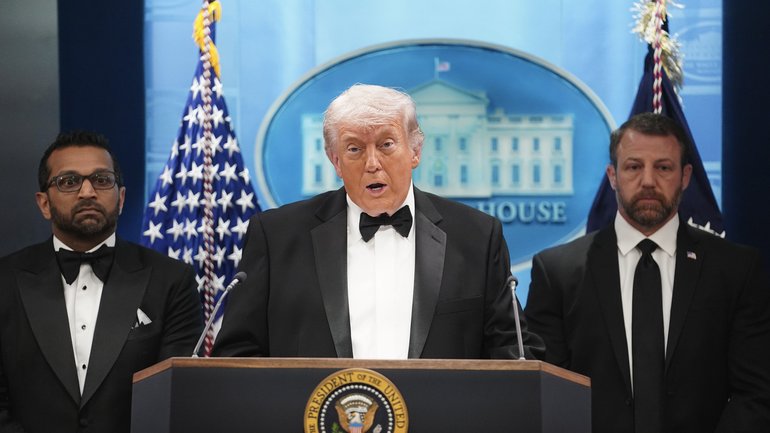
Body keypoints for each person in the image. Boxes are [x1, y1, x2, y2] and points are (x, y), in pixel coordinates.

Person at [213, 83, 544, 360]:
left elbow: (513, 353)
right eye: (354, 149)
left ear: (414, 151)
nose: (372, 163)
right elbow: (237, 355)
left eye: (386, 144)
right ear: (335, 161)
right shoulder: (278, 237)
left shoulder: (476, 236)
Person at [524, 112, 770, 433]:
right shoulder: (557, 271)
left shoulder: (736, 269)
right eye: (634, 167)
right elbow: (547, 393)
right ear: (613, 176)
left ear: (685, 176)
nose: (649, 181)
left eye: (663, 167)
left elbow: (755, 393)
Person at [0, 131, 203, 433]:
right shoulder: (5, 281)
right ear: (44, 204)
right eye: (69, 181)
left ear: (121, 198)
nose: (87, 192)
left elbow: (175, 400)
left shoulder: (173, 281)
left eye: (102, 180)